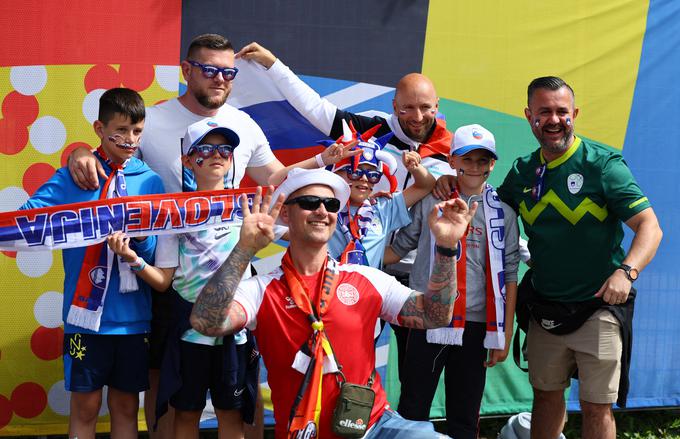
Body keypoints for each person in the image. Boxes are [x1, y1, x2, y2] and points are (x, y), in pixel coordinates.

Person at [66, 34, 291, 438]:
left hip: (234, 271)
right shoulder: (154, 121)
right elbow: (115, 142)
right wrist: (79, 152)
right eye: (209, 70)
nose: (219, 79)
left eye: (228, 72)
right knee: (167, 385)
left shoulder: (243, 124)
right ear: (187, 71)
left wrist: (326, 170)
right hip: (172, 271)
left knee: (239, 393)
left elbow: (276, 179)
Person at [434, 76, 662, 439]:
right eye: (544, 112)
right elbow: (487, 209)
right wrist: (447, 181)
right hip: (545, 309)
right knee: (545, 399)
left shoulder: (603, 165)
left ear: (575, 113)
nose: (554, 119)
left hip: (598, 305)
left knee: (596, 406)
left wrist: (627, 273)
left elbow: (650, 226)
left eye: (561, 111)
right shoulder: (524, 171)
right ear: (529, 116)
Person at [189, 167, 477, 438]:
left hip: (374, 426)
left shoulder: (367, 279)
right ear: (286, 214)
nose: (322, 211)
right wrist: (245, 249)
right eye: (310, 202)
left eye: (331, 204)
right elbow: (205, 322)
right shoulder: (262, 289)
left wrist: (446, 247)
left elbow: (434, 315)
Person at [236, 41, 455, 374]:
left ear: (437, 106)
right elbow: (313, 106)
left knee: (414, 374)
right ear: (394, 106)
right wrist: (273, 64)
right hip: (361, 271)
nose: (417, 116)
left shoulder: (450, 149)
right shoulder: (365, 132)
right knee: (338, 356)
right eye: (408, 108)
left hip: (419, 273)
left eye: (425, 108)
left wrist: (443, 176)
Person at [21, 88, 165, 439]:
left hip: (133, 321)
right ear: (99, 128)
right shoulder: (75, 175)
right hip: (84, 321)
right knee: (84, 409)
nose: (130, 140)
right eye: (120, 131)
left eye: (137, 131)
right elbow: (26, 221)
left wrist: (140, 238)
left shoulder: (150, 181)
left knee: (126, 408)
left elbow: (158, 254)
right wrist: (81, 223)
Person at [107, 119, 260, 438]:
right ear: (187, 159)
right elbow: (163, 282)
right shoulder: (173, 212)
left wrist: (323, 162)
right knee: (186, 416)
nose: (217, 155)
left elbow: (303, 203)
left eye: (225, 149)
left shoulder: (248, 206)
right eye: (206, 148)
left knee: (231, 418)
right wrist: (133, 259)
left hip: (234, 331)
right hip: (190, 333)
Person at [385, 124, 520, 439]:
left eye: (482, 160)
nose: (474, 166)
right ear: (452, 161)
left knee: (465, 413)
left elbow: (510, 272)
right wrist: (359, 255)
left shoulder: (504, 213)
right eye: (467, 159)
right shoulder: (432, 200)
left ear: (492, 164)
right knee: (413, 410)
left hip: (475, 325)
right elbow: (399, 247)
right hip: (429, 320)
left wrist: (506, 331)